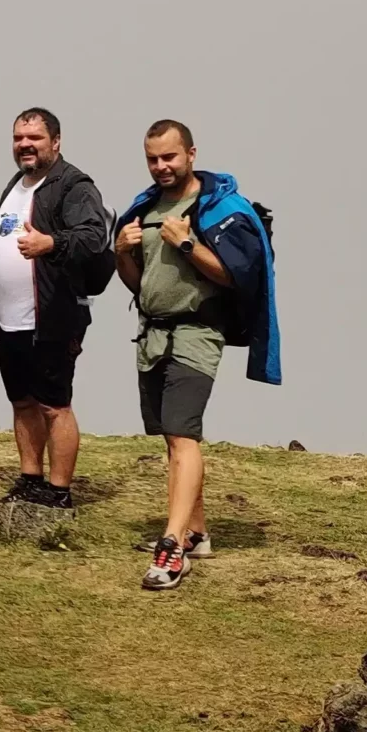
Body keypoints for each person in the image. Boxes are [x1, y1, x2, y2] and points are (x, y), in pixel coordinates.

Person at [111, 119, 280, 592]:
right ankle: (197, 531)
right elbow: (139, 284)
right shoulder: (143, 208)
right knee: (172, 436)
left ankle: (173, 547)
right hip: (151, 337)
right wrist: (122, 253)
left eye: (170, 157)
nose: (161, 166)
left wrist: (185, 242)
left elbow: (236, 275)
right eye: (153, 159)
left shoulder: (220, 208)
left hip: (197, 334)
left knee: (184, 435)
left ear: (191, 153)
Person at [0, 108, 112, 512]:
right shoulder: (14, 185)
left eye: (34, 138)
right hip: (9, 317)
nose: (25, 145)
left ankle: (59, 490)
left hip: (53, 315)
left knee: (54, 403)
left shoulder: (74, 186)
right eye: (19, 138)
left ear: (55, 141)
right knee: (21, 399)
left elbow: (93, 237)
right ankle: (30, 479)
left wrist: (50, 244)